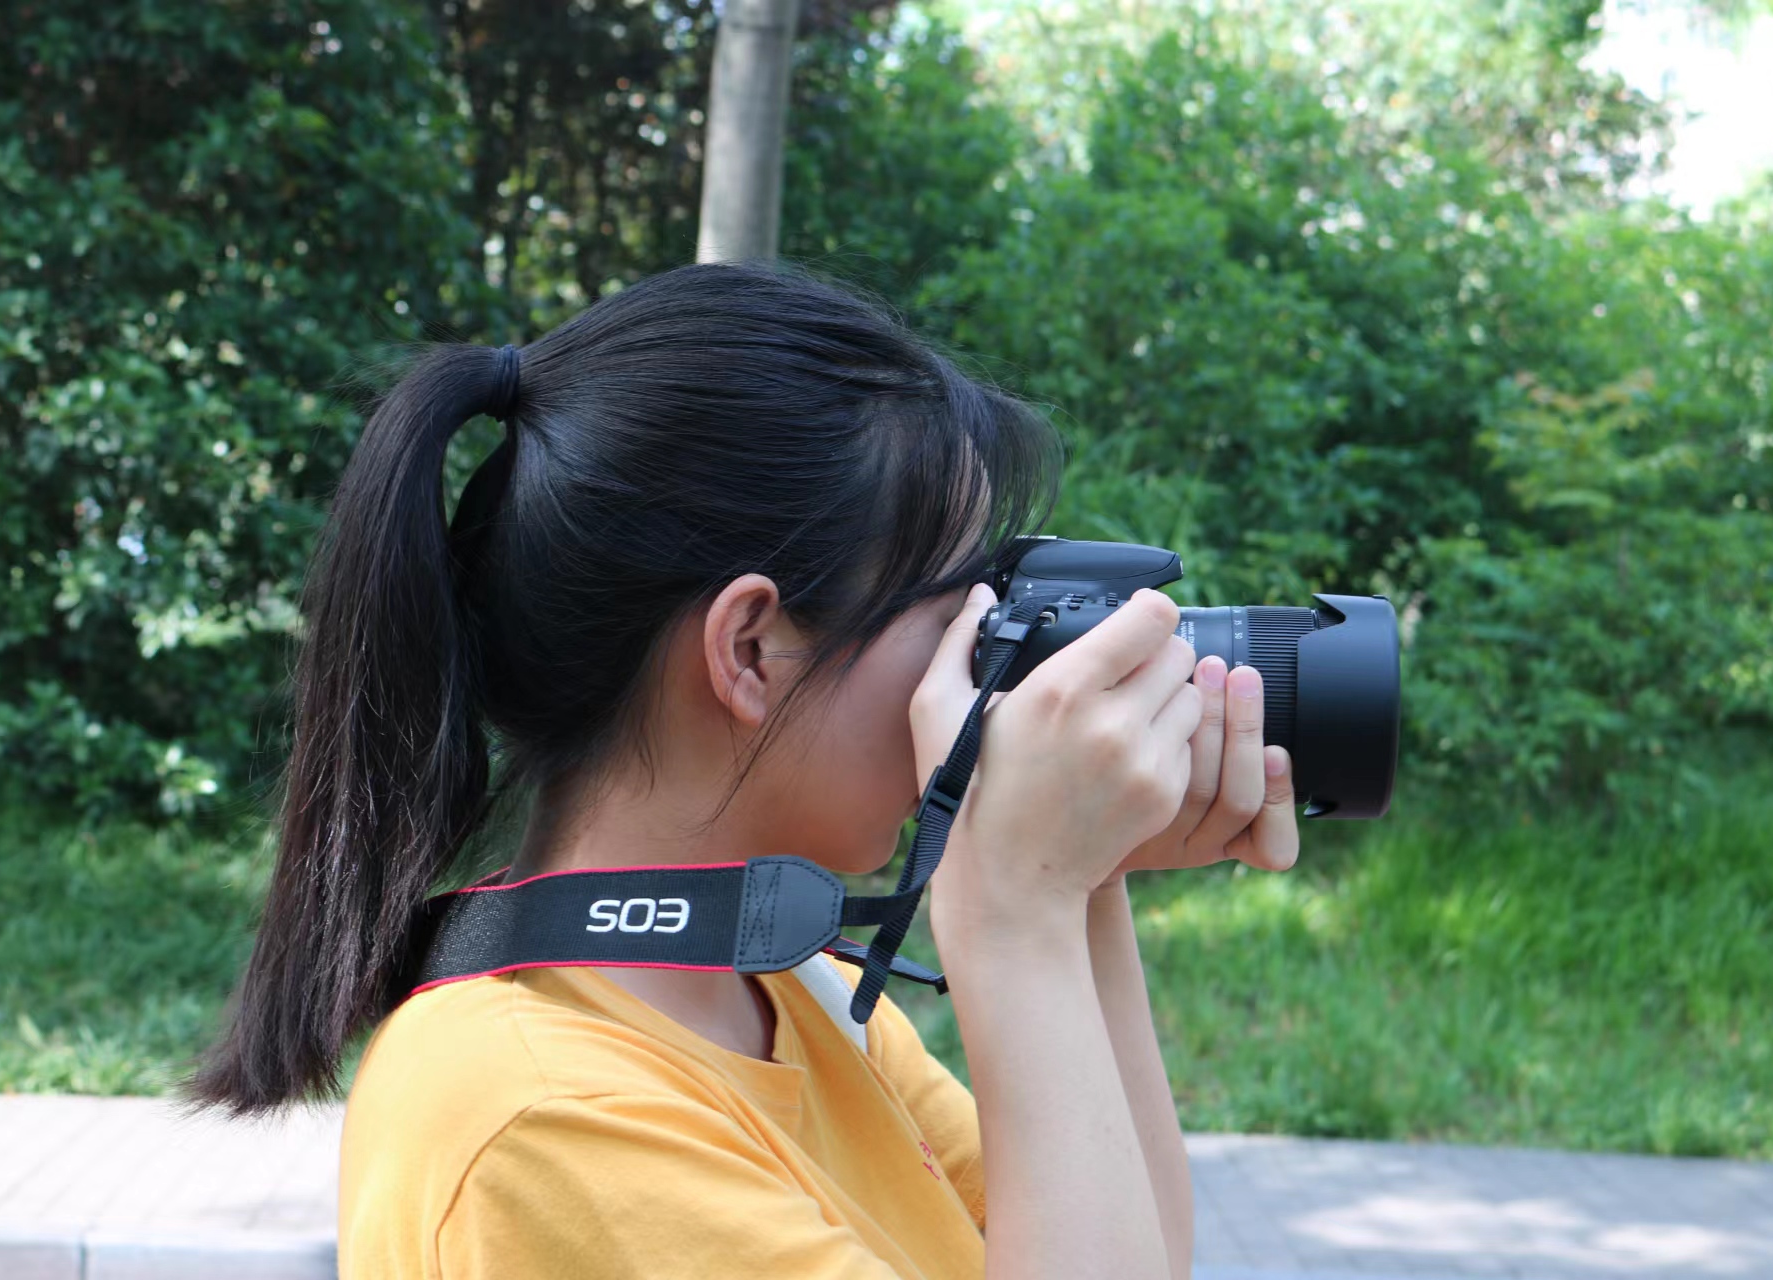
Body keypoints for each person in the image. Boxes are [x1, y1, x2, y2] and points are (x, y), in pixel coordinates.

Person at [191, 262, 1299, 1279]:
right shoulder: (540, 1113)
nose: (987, 656)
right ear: (751, 649)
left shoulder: (779, 988)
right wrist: (1017, 910)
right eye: (957, 606)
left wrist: (1082, 880)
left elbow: (1139, 1248)